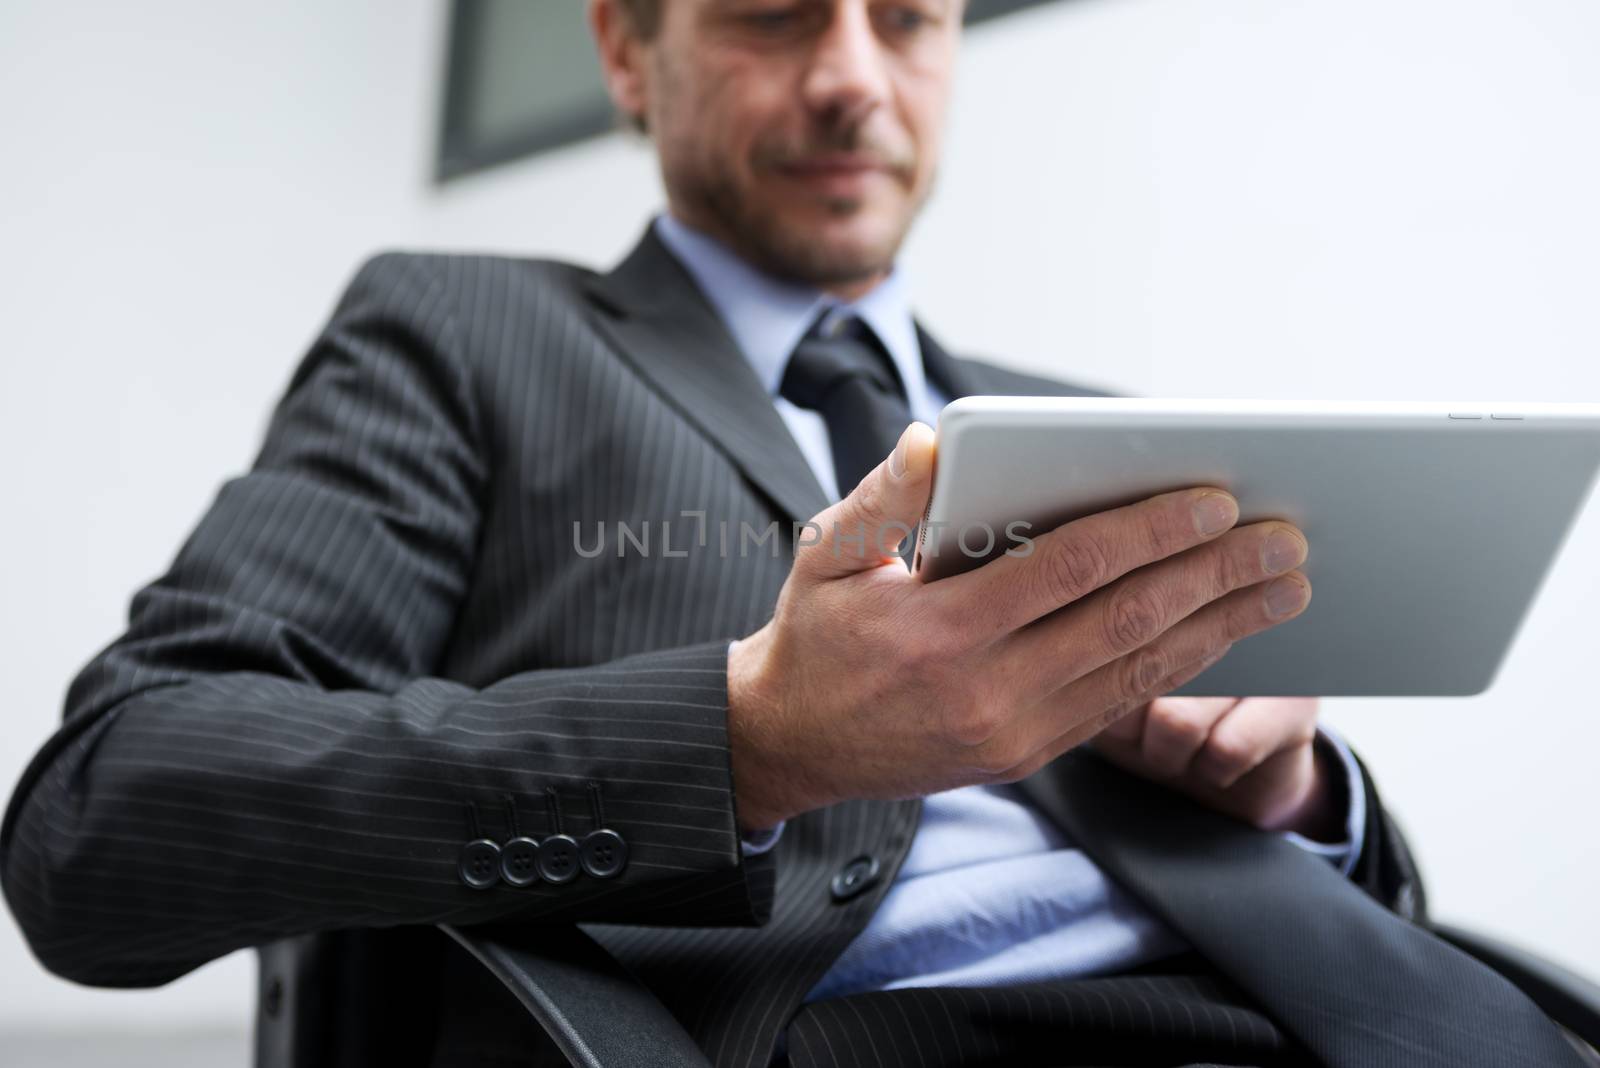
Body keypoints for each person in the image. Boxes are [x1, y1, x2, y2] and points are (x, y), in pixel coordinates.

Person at [0, 2, 1586, 1066]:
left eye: (905, 18)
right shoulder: (459, 334)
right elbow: (101, 824)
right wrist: (750, 738)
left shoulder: (1101, 420)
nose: (851, 76)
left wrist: (1293, 785)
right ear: (627, 48)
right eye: (773, 9)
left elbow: (1384, 915)